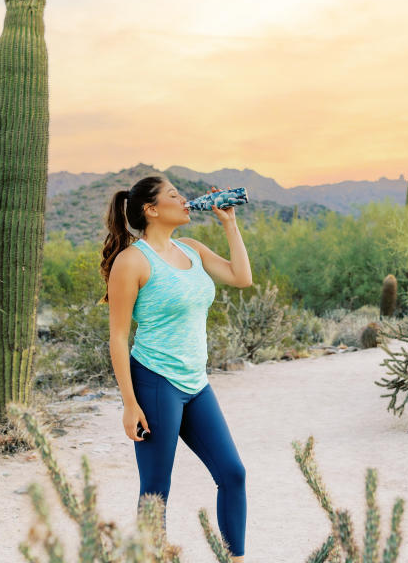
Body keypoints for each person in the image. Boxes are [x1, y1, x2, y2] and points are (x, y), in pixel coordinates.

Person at [100, 176, 252, 561]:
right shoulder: (131, 260)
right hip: (154, 382)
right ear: (151, 210)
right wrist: (129, 403)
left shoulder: (193, 250)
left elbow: (242, 277)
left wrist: (230, 223)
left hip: (195, 383)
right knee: (155, 490)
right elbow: (118, 337)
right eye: (173, 195)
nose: (184, 200)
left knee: (233, 474)